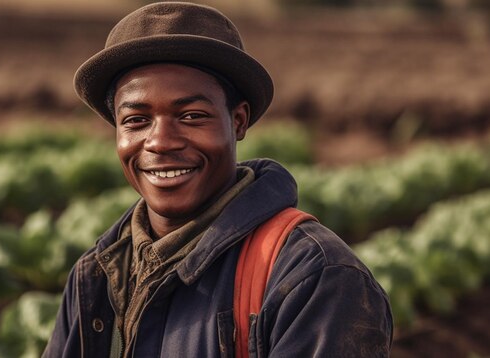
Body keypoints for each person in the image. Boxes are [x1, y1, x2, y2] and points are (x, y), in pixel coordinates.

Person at [43, 2, 393, 357]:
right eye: (136, 120)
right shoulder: (96, 275)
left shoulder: (314, 276)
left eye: (192, 115)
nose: (160, 141)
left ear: (238, 121)